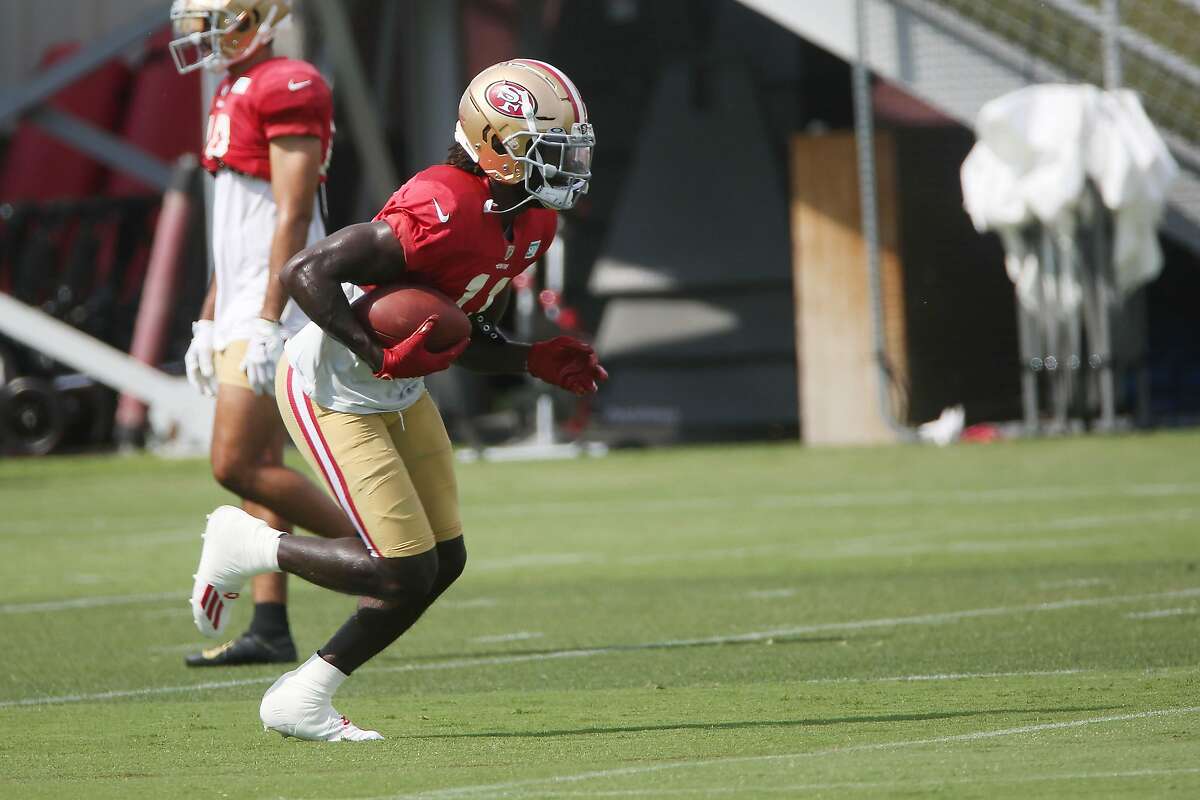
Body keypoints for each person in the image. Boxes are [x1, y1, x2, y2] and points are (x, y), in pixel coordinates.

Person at [189, 59, 605, 741]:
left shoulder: (531, 225)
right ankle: (250, 545)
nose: (564, 168)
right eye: (547, 150)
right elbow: (307, 272)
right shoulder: (440, 205)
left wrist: (531, 359)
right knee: (403, 569)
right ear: (495, 144)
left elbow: (456, 330)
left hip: (397, 389)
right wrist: (373, 350)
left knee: (444, 561)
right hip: (331, 387)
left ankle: (304, 697)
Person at [171, 0, 359, 667]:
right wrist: (208, 314)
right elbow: (234, 227)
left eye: (212, 18)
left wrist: (266, 316)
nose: (200, 33)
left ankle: (383, 556)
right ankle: (271, 624)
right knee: (261, 470)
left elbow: (292, 211)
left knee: (235, 464)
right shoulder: (232, 86)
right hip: (244, 300)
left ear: (261, 16)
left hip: (276, 305)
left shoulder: (289, 81)